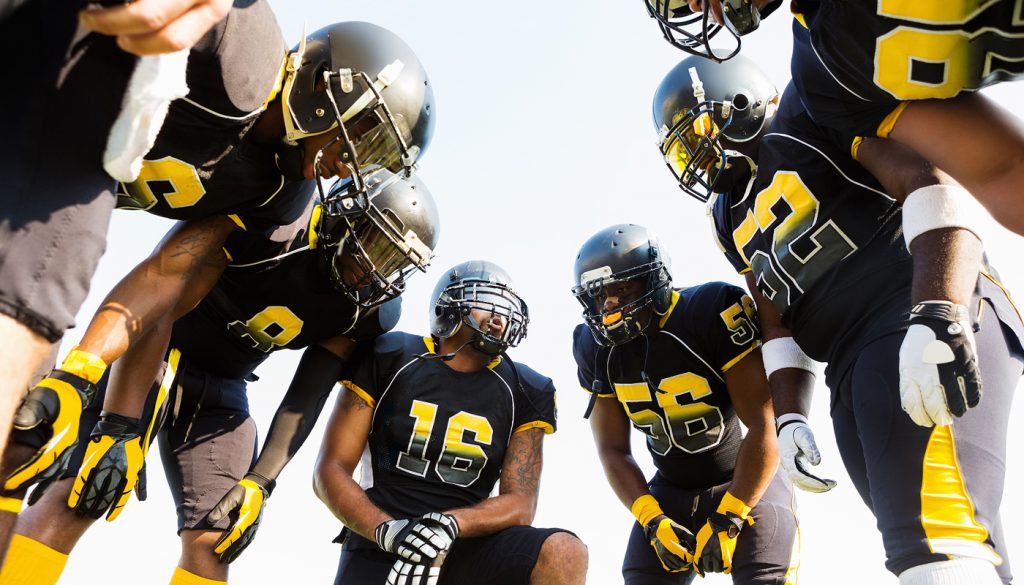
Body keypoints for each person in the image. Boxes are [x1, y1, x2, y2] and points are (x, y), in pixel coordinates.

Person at [2, 18, 437, 534]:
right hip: (36, 147)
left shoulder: (279, 194)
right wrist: (107, 404)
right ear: (327, 88)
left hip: (68, 202)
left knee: (25, 441)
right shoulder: (242, 49)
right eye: (364, 143)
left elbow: (173, 279)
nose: (353, 167)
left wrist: (80, 376)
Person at [652, 54, 1024, 585]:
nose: (695, 155)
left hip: (915, 309)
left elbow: (932, 181)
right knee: (958, 539)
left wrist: (939, 309)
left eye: (698, 134)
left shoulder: (808, 112)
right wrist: (791, 416)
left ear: (737, 103)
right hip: (848, 363)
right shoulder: (725, 214)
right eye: (682, 147)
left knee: (931, 539)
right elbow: (776, 315)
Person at [0, 170, 441, 585]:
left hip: (223, 391)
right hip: (158, 354)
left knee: (218, 541)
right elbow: (163, 302)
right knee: (84, 493)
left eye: (392, 260)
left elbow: (306, 395)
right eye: (374, 245)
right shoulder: (277, 217)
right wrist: (119, 423)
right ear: (347, 215)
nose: (373, 269)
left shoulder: (367, 309)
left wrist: (261, 482)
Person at [0, 0, 233, 475]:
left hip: (63, 186)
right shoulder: (241, 64)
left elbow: (169, 288)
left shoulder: (278, 190)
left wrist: (107, 408)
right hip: (61, 122)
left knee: (22, 449)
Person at [315, 260, 588, 585]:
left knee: (566, 552)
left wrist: (448, 525)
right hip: (382, 537)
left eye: (507, 308)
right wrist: (388, 531)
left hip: (464, 543)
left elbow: (521, 502)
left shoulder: (526, 388)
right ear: (449, 305)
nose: (500, 317)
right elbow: (330, 470)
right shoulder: (391, 356)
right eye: (489, 302)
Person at [571, 224, 798, 584]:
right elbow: (612, 450)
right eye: (600, 298)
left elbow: (764, 423)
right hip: (669, 493)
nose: (610, 308)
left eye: (622, 290)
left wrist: (731, 515)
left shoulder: (707, 312)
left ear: (654, 281)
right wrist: (651, 517)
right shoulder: (594, 347)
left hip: (744, 479)